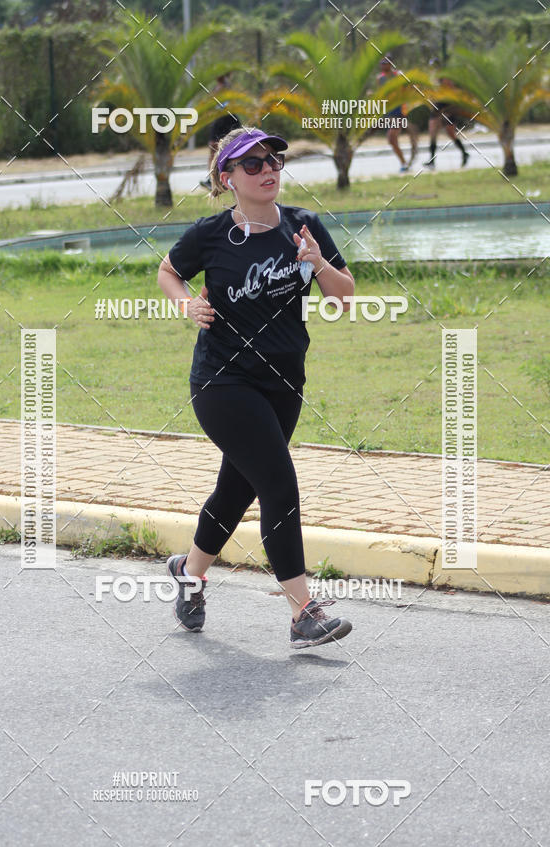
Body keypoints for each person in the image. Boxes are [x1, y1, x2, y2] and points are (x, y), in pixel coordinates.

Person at [157, 127, 355, 649]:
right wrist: (186, 304)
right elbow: (168, 272)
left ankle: (189, 573)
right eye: (252, 164)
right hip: (223, 382)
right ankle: (302, 613)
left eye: (273, 160)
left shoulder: (304, 226)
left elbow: (346, 294)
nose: (268, 170)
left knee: (236, 488)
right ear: (228, 178)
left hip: (285, 382)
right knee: (278, 484)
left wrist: (317, 263)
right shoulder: (211, 234)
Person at [377, 57, 419, 173]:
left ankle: (405, 163)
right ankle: (406, 161)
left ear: (390, 64)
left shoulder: (399, 76)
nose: (383, 66)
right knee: (393, 139)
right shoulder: (380, 79)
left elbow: (409, 87)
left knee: (391, 137)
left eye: (385, 63)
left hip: (399, 111)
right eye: (381, 64)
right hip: (389, 112)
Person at [199, 73, 241, 189]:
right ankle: (211, 178)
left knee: (234, 147)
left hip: (229, 117)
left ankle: (234, 176)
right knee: (213, 147)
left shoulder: (227, 86)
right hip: (219, 117)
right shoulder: (217, 88)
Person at [425, 73, 469, 169]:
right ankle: (431, 160)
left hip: (448, 111)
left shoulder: (448, 81)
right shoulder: (434, 80)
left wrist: (449, 111)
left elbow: (455, 97)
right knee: (433, 134)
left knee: (451, 134)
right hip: (437, 110)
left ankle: (464, 153)